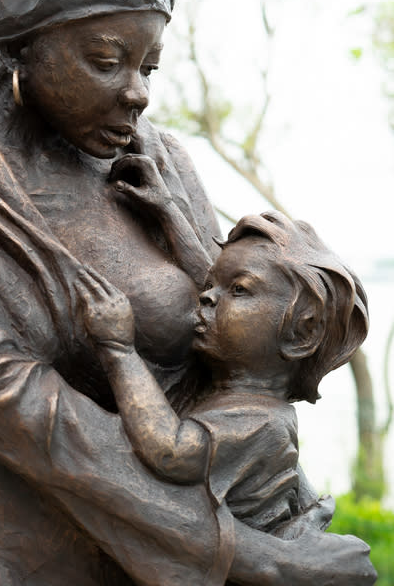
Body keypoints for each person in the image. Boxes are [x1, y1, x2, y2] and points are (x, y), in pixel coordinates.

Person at [0, 0, 376, 585]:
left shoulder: (155, 161)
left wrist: (287, 513)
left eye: (149, 65)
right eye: (105, 60)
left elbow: (237, 374)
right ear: (22, 41)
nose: (137, 92)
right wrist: (245, 554)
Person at [76, 196, 369, 542]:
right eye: (211, 286)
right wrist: (169, 213)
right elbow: (209, 276)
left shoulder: (262, 421)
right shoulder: (245, 399)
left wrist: (119, 349)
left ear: (302, 333)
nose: (207, 296)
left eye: (239, 291)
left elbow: (172, 452)